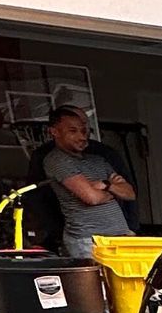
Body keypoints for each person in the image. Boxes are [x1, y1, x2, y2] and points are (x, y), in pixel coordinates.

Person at [38, 104, 135, 260]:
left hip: (121, 236)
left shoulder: (98, 160)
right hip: (89, 241)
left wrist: (106, 185)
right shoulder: (57, 160)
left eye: (84, 131)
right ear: (54, 132)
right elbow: (91, 198)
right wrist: (114, 191)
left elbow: (130, 194)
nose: (82, 137)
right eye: (73, 131)